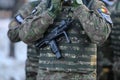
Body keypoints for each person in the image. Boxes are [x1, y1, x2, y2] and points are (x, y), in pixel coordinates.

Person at [8, 0, 112, 80]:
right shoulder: (45, 5)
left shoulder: (92, 4)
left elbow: (101, 36)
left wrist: (79, 7)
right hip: (48, 76)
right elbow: (25, 35)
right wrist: (50, 13)